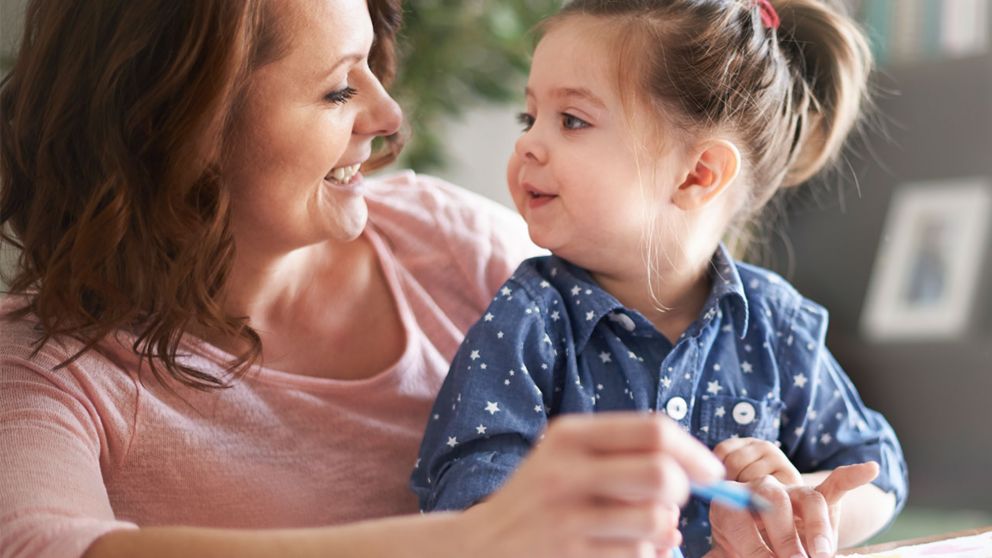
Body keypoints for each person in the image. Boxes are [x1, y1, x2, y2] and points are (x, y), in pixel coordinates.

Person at [0, 1, 732, 557]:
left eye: (371, 70)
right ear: (183, 127)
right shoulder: (47, 367)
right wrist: (476, 537)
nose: (388, 113)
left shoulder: (452, 244)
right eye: (337, 92)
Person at [410, 1, 909, 557]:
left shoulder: (776, 326)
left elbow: (878, 474)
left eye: (572, 120)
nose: (527, 143)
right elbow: (465, 504)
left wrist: (795, 505)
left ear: (697, 175)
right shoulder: (529, 320)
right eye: (529, 118)